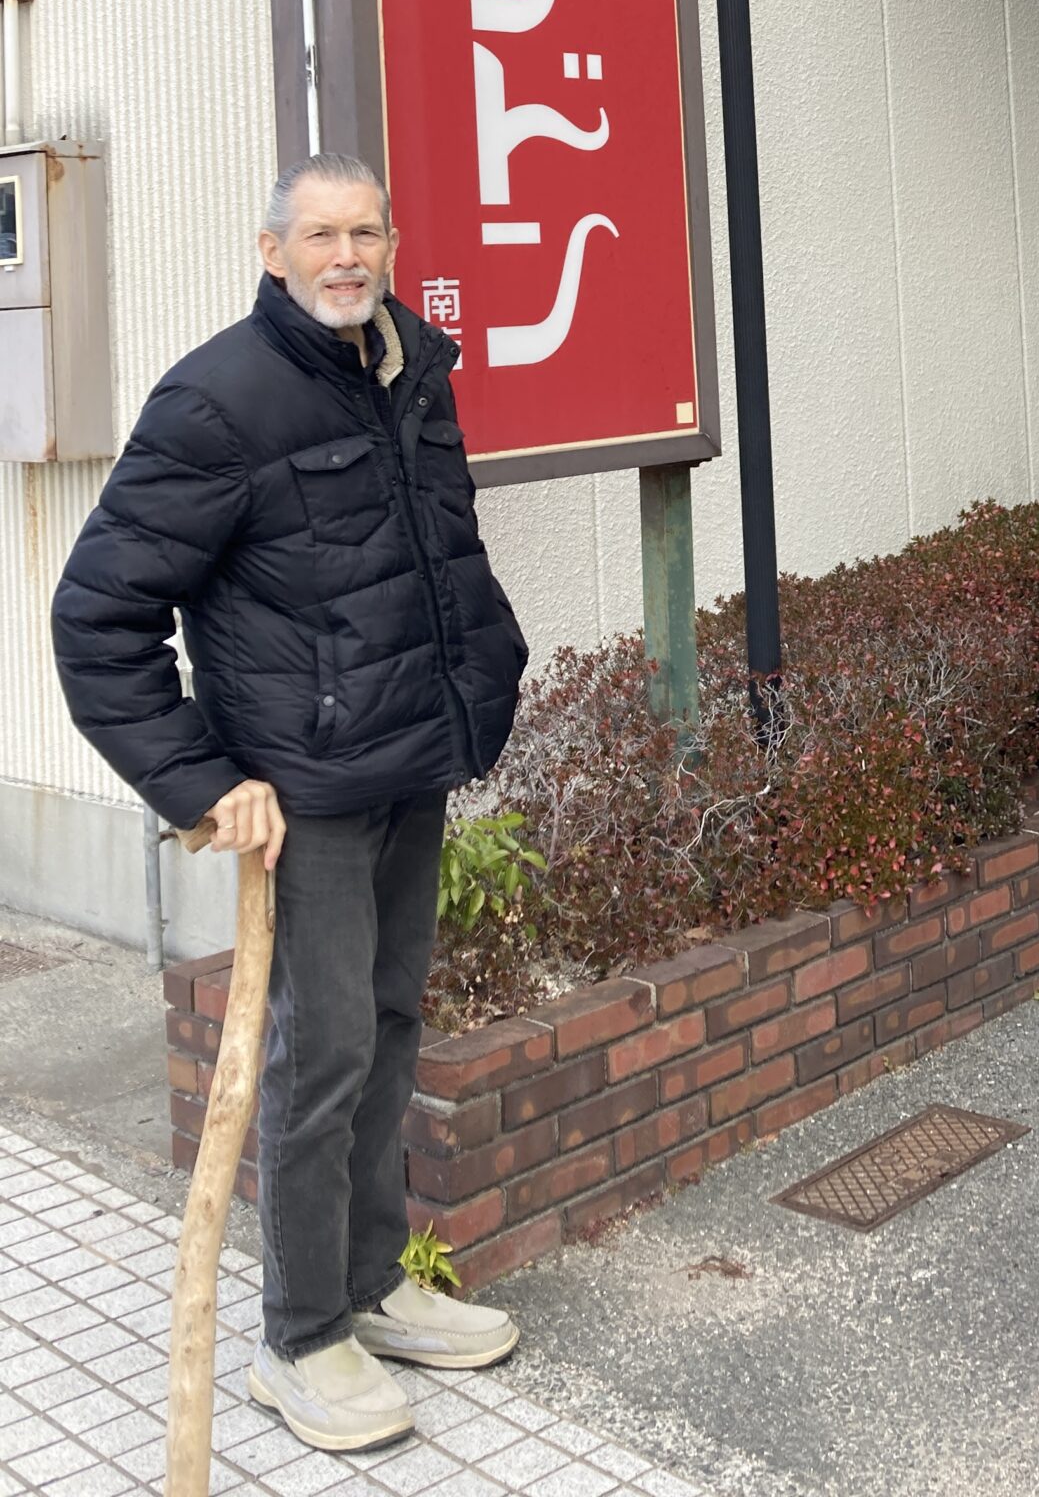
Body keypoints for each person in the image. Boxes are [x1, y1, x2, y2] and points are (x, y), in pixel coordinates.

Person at [52, 153, 530, 1454]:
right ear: (272, 252)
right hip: (304, 792)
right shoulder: (220, 399)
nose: (346, 255)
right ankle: (302, 1336)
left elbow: (440, 552)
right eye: (319, 235)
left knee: (389, 1027)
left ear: (392, 241)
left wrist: (482, 675)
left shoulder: (414, 369)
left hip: (410, 761)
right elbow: (98, 618)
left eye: (365, 231)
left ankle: (371, 1286)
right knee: (321, 1058)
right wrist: (204, 783)